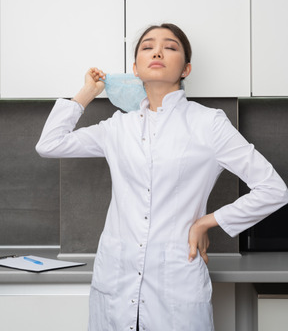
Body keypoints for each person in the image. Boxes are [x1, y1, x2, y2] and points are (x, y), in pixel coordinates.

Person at [36, 23, 288, 331]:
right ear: (135, 69)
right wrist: (87, 92)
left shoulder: (208, 124)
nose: (157, 51)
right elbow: (49, 144)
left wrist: (206, 222)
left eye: (170, 47)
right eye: (147, 47)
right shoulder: (118, 128)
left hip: (176, 287)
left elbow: (274, 189)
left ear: (186, 69)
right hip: (116, 281)